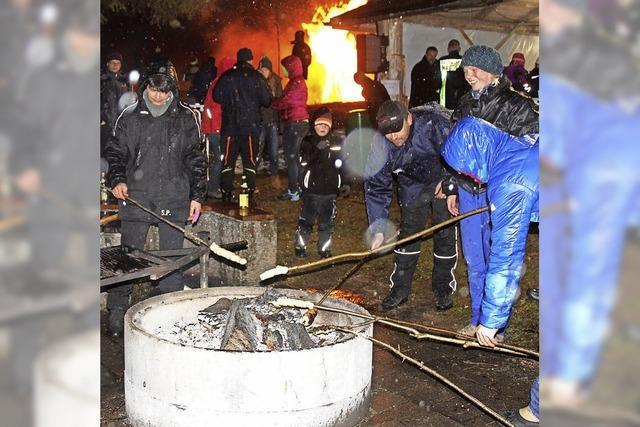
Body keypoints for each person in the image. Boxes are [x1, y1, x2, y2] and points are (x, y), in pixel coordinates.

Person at [441, 116, 539, 425]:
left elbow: (506, 256)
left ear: (474, 154)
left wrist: (490, 320)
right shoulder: (520, 144)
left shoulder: (509, 179)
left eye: (466, 168)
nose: (469, 176)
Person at [104, 68, 207, 336]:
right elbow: (116, 152)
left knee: (171, 262)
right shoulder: (130, 117)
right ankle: (117, 313)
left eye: (164, 91)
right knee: (126, 261)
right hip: (136, 196)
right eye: (153, 90)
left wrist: (197, 195)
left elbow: (195, 158)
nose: (158, 97)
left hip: (174, 197)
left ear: (172, 89)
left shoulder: (186, 117)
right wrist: (116, 179)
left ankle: (167, 314)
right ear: (146, 86)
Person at [446, 45, 538, 336]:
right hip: (468, 189)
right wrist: (450, 186)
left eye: (475, 70)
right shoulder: (463, 104)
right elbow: (456, 149)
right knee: (474, 257)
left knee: (499, 249)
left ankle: (497, 325)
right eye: (465, 70)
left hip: (501, 188)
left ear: (494, 72)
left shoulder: (517, 105)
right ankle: (477, 318)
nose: (469, 75)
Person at [364, 100, 458, 311]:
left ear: (409, 119)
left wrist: (450, 183)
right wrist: (378, 228)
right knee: (409, 234)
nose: (394, 137)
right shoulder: (380, 144)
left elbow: (458, 152)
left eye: (398, 130)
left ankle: (443, 287)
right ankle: (400, 288)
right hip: (412, 184)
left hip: (440, 180)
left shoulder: (433, 125)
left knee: (444, 231)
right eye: (388, 133)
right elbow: (376, 187)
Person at [213, 48, 272, 201]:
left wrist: (231, 101)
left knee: (227, 161)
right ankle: (248, 193)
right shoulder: (257, 77)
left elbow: (216, 96)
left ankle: (226, 193)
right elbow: (267, 100)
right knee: (250, 161)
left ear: (238, 59)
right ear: (251, 60)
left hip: (230, 128)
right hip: (250, 128)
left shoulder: (227, 76)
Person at [294, 108, 342, 258]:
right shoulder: (308, 142)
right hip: (312, 191)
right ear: (314, 125)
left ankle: (324, 248)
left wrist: (345, 182)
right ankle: (300, 246)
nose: (323, 128)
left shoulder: (335, 142)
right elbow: (303, 163)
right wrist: (317, 150)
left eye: (326, 125)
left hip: (329, 191)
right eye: (320, 124)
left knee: (326, 223)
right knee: (306, 221)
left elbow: (342, 164)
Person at [272, 55, 309, 202]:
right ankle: (298, 188)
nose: (283, 70)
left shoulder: (296, 83)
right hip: (296, 122)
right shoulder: (296, 82)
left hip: (295, 123)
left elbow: (287, 101)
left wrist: (273, 102)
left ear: (291, 67)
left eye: (285, 68)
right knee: (295, 158)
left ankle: (294, 191)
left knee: (292, 158)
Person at [201, 56, 235, 199]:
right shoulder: (222, 84)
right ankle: (213, 188)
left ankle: (220, 186)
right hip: (217, 129)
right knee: (220, 158)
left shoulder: (218, 82)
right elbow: (217, 110)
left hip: (215, 128)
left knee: (221, 158)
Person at [257, 56, 284, 184]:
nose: (263, 72)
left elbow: (280, 99)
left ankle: (275, 176)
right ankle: (252, 177)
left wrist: (272, 96)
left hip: (272, 121)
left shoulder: (276, 81)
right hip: (260, 121)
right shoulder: (256, 80)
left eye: (265, 69)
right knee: (257, 149)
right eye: (261, 69)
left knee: (274, 151)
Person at [100, 50, 130, 155]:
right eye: (112, 62)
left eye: (118, 63)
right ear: (107, 64)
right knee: (103, 151)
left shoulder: (125, 81)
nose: (115, 65)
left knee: (118, 153)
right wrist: (101, 119)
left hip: (121, 124)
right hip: (105, 124)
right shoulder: (101, 80)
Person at [436, 39, 470, 110]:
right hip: (460, 100)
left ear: (448, 49)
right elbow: (468, 82)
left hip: (444, 100)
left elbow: (436, 81)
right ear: (459, 49)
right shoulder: (464, 61)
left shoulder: (442, 61)